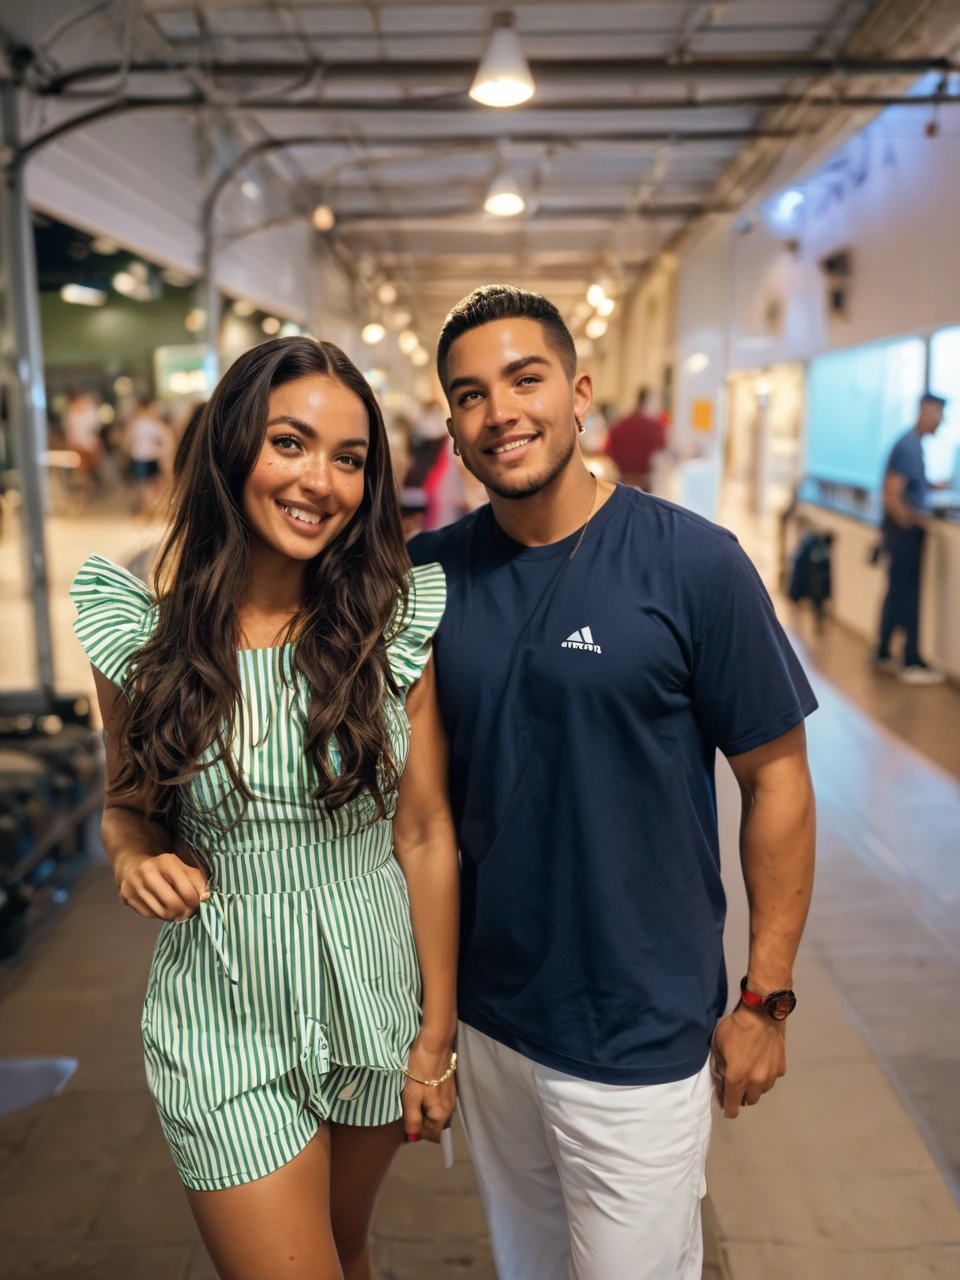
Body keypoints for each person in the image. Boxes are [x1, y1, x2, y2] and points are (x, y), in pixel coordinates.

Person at [408, 285, 817, 1280]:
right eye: (469, 394)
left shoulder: (694, 564)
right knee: (531, 1264)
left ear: (579, 391)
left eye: (524, 378)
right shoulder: (426, 576)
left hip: (637, 1028)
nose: (499, 410)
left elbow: (778, 779)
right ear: (452, 427)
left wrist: (765, 997)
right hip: (495, 1020)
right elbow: (419, 810)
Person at [71, 337, 459, 1280]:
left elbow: (425, 832)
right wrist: (129, 856)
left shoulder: (389, 629)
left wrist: (436, 1037)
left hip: (371, 988)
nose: (319, 480)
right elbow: (128, 806)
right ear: (233, 446)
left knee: (348, 1244)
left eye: (350, 458)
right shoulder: (143, 640)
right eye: (290, 442)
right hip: (223, 1004)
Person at [875, 393, 947, 685]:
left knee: (897, 592)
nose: (941, 420)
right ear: (925, 411)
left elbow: (909, 485)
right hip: (904, 534)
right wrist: (914, 521)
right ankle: (911, 660)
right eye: (938, 414)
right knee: (906, 595)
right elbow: (892, 494)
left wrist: (933, 486)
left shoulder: (913, 445)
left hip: (901, 532)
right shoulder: (908, 446)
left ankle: (883, 653)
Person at [603, 385, 667, 490]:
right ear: (649, 401)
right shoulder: (655, 427)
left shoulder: (620, 425)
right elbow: (663, 453)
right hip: (646, 486)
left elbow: (607, 452)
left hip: (622, 484)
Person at [125, 396, 171, 516]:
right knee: (151, 484)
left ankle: (148, 509)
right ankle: (149, 509)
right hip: (150, 456)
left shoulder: (136, 423)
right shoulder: (153, 422)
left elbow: (128, 441)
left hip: (140, 456)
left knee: (144, 485)